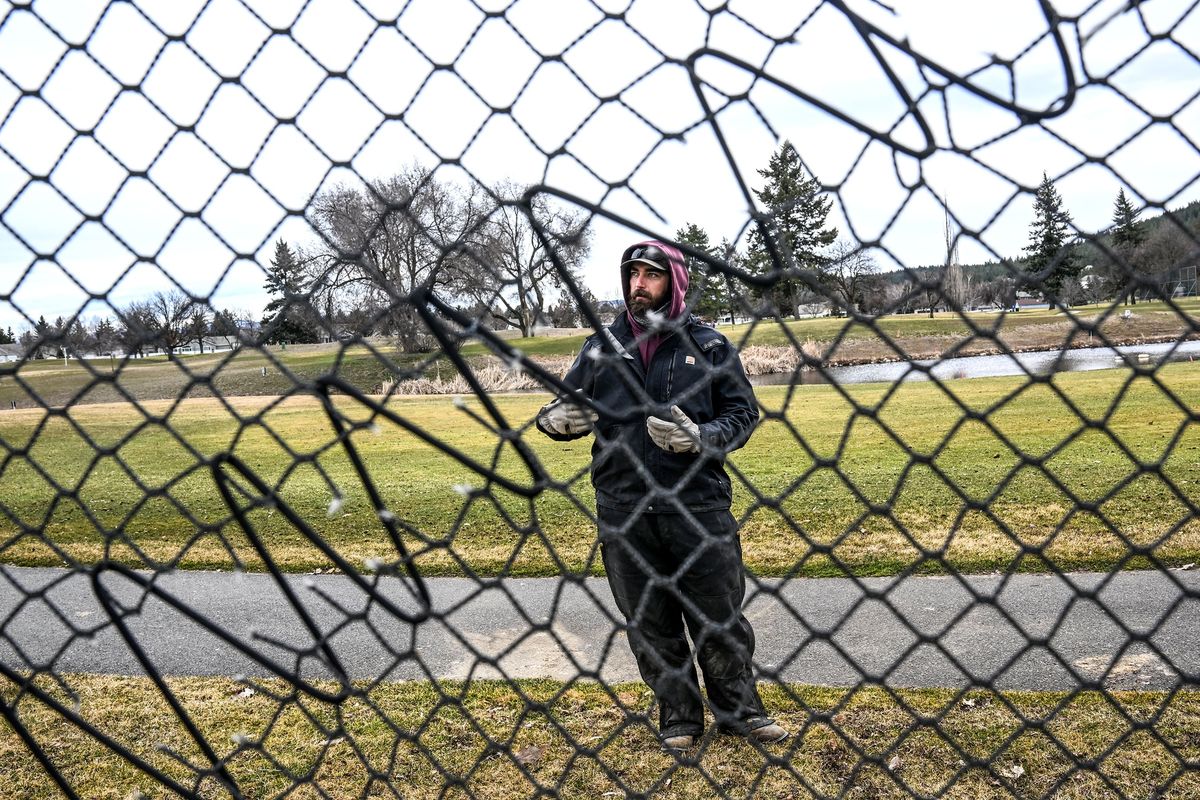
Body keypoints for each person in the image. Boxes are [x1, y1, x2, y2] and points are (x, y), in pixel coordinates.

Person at [536, 240, 787, 750]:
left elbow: (743, 416)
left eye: (651, 275)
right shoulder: (601, 347)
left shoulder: (710, 346)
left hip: (697, 506)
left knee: (718, 618)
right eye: (632, 274)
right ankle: (679, 718)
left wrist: (702, 437)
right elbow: (564, 409)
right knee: (649, 623)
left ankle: (740, 713)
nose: (638, 285)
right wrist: (554, 422)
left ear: (674, 282)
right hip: (623, 508)